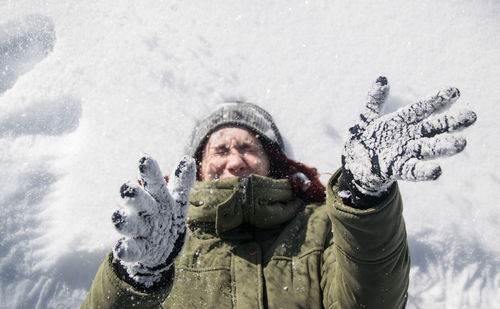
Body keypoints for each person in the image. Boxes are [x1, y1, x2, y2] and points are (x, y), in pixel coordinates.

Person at [81, 77, 477, 309]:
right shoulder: (162, 240)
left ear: (273, 161)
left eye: (248, 148)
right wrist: (141, 278)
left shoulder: (320, 223)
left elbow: (372, 301)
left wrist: (362, 197)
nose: (234, 162)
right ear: (197, 169)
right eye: (219, 150)